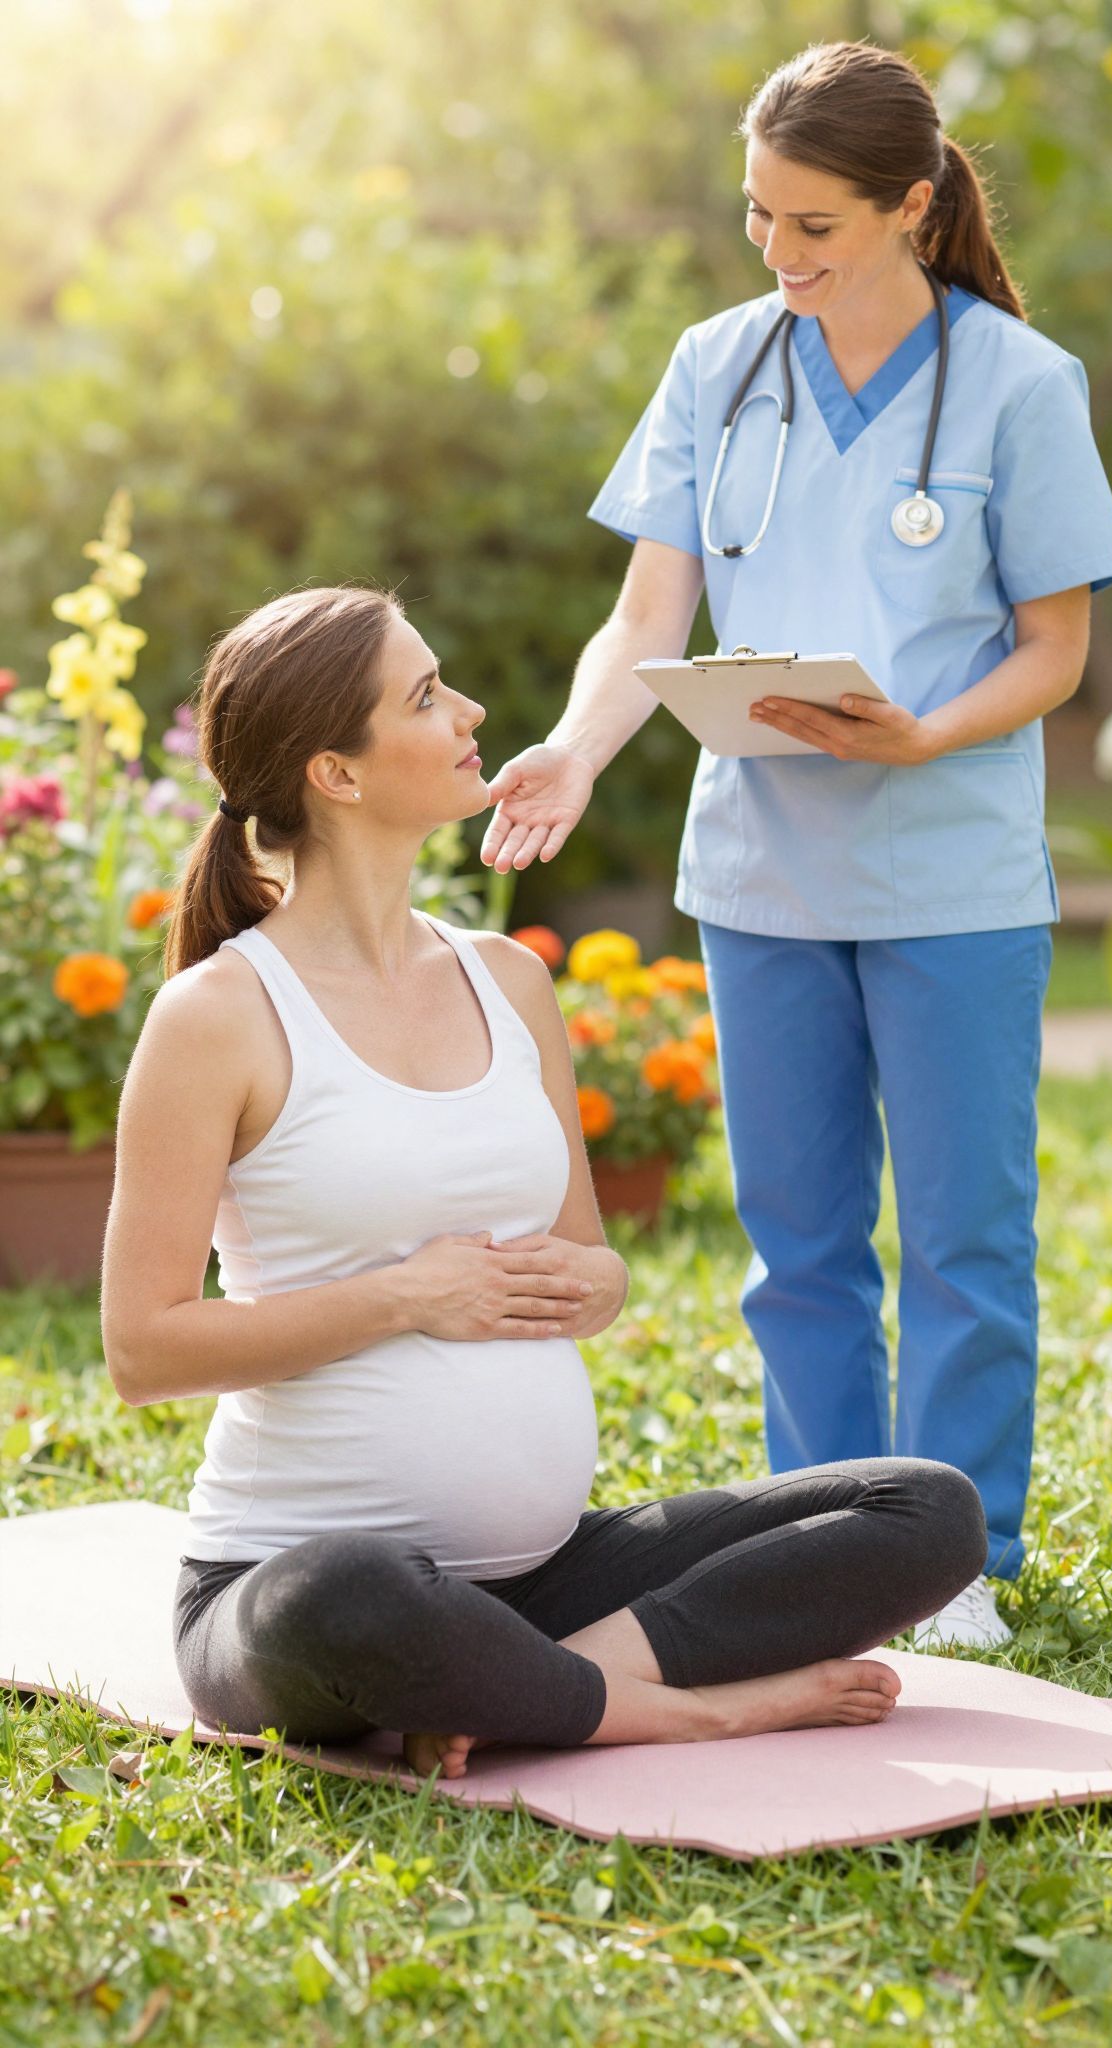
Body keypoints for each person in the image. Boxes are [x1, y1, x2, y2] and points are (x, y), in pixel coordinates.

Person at [479, 41, 1112, 1650]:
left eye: (814, 224)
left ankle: (954, 1559)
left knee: (966, 1238)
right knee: (798, 1244)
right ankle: (824, 1542)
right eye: (757, 217)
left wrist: (926, 732)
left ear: (911, 205)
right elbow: (650, 614)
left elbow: (1054, 650)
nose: (779, 253)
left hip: (952, 872)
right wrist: (574, 747)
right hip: (763, 869)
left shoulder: (1018, 384)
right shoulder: (719, 365)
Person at [100, 585, 986, 1777]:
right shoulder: (218, 1014)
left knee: (926, 1508)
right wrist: (408, 1295)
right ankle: (687, 1708)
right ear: (337, 773)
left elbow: (593, 1262)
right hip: (293, 1583)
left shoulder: (507, 979)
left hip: (546, 1573)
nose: (470, 710)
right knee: (350, 1592)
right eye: (426, 696)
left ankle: (532, 1679)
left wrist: (594, 1281)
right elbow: (142, 1347)